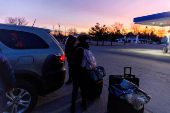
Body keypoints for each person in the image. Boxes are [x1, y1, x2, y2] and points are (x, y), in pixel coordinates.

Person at [71, 35, 89, 113]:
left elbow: (74, 62)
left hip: (77, 72)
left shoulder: (78, 49)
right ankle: (84, 105)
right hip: (84, 71)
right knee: (83, 89)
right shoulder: (87, 48)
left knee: (75, 89)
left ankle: (73, 107)